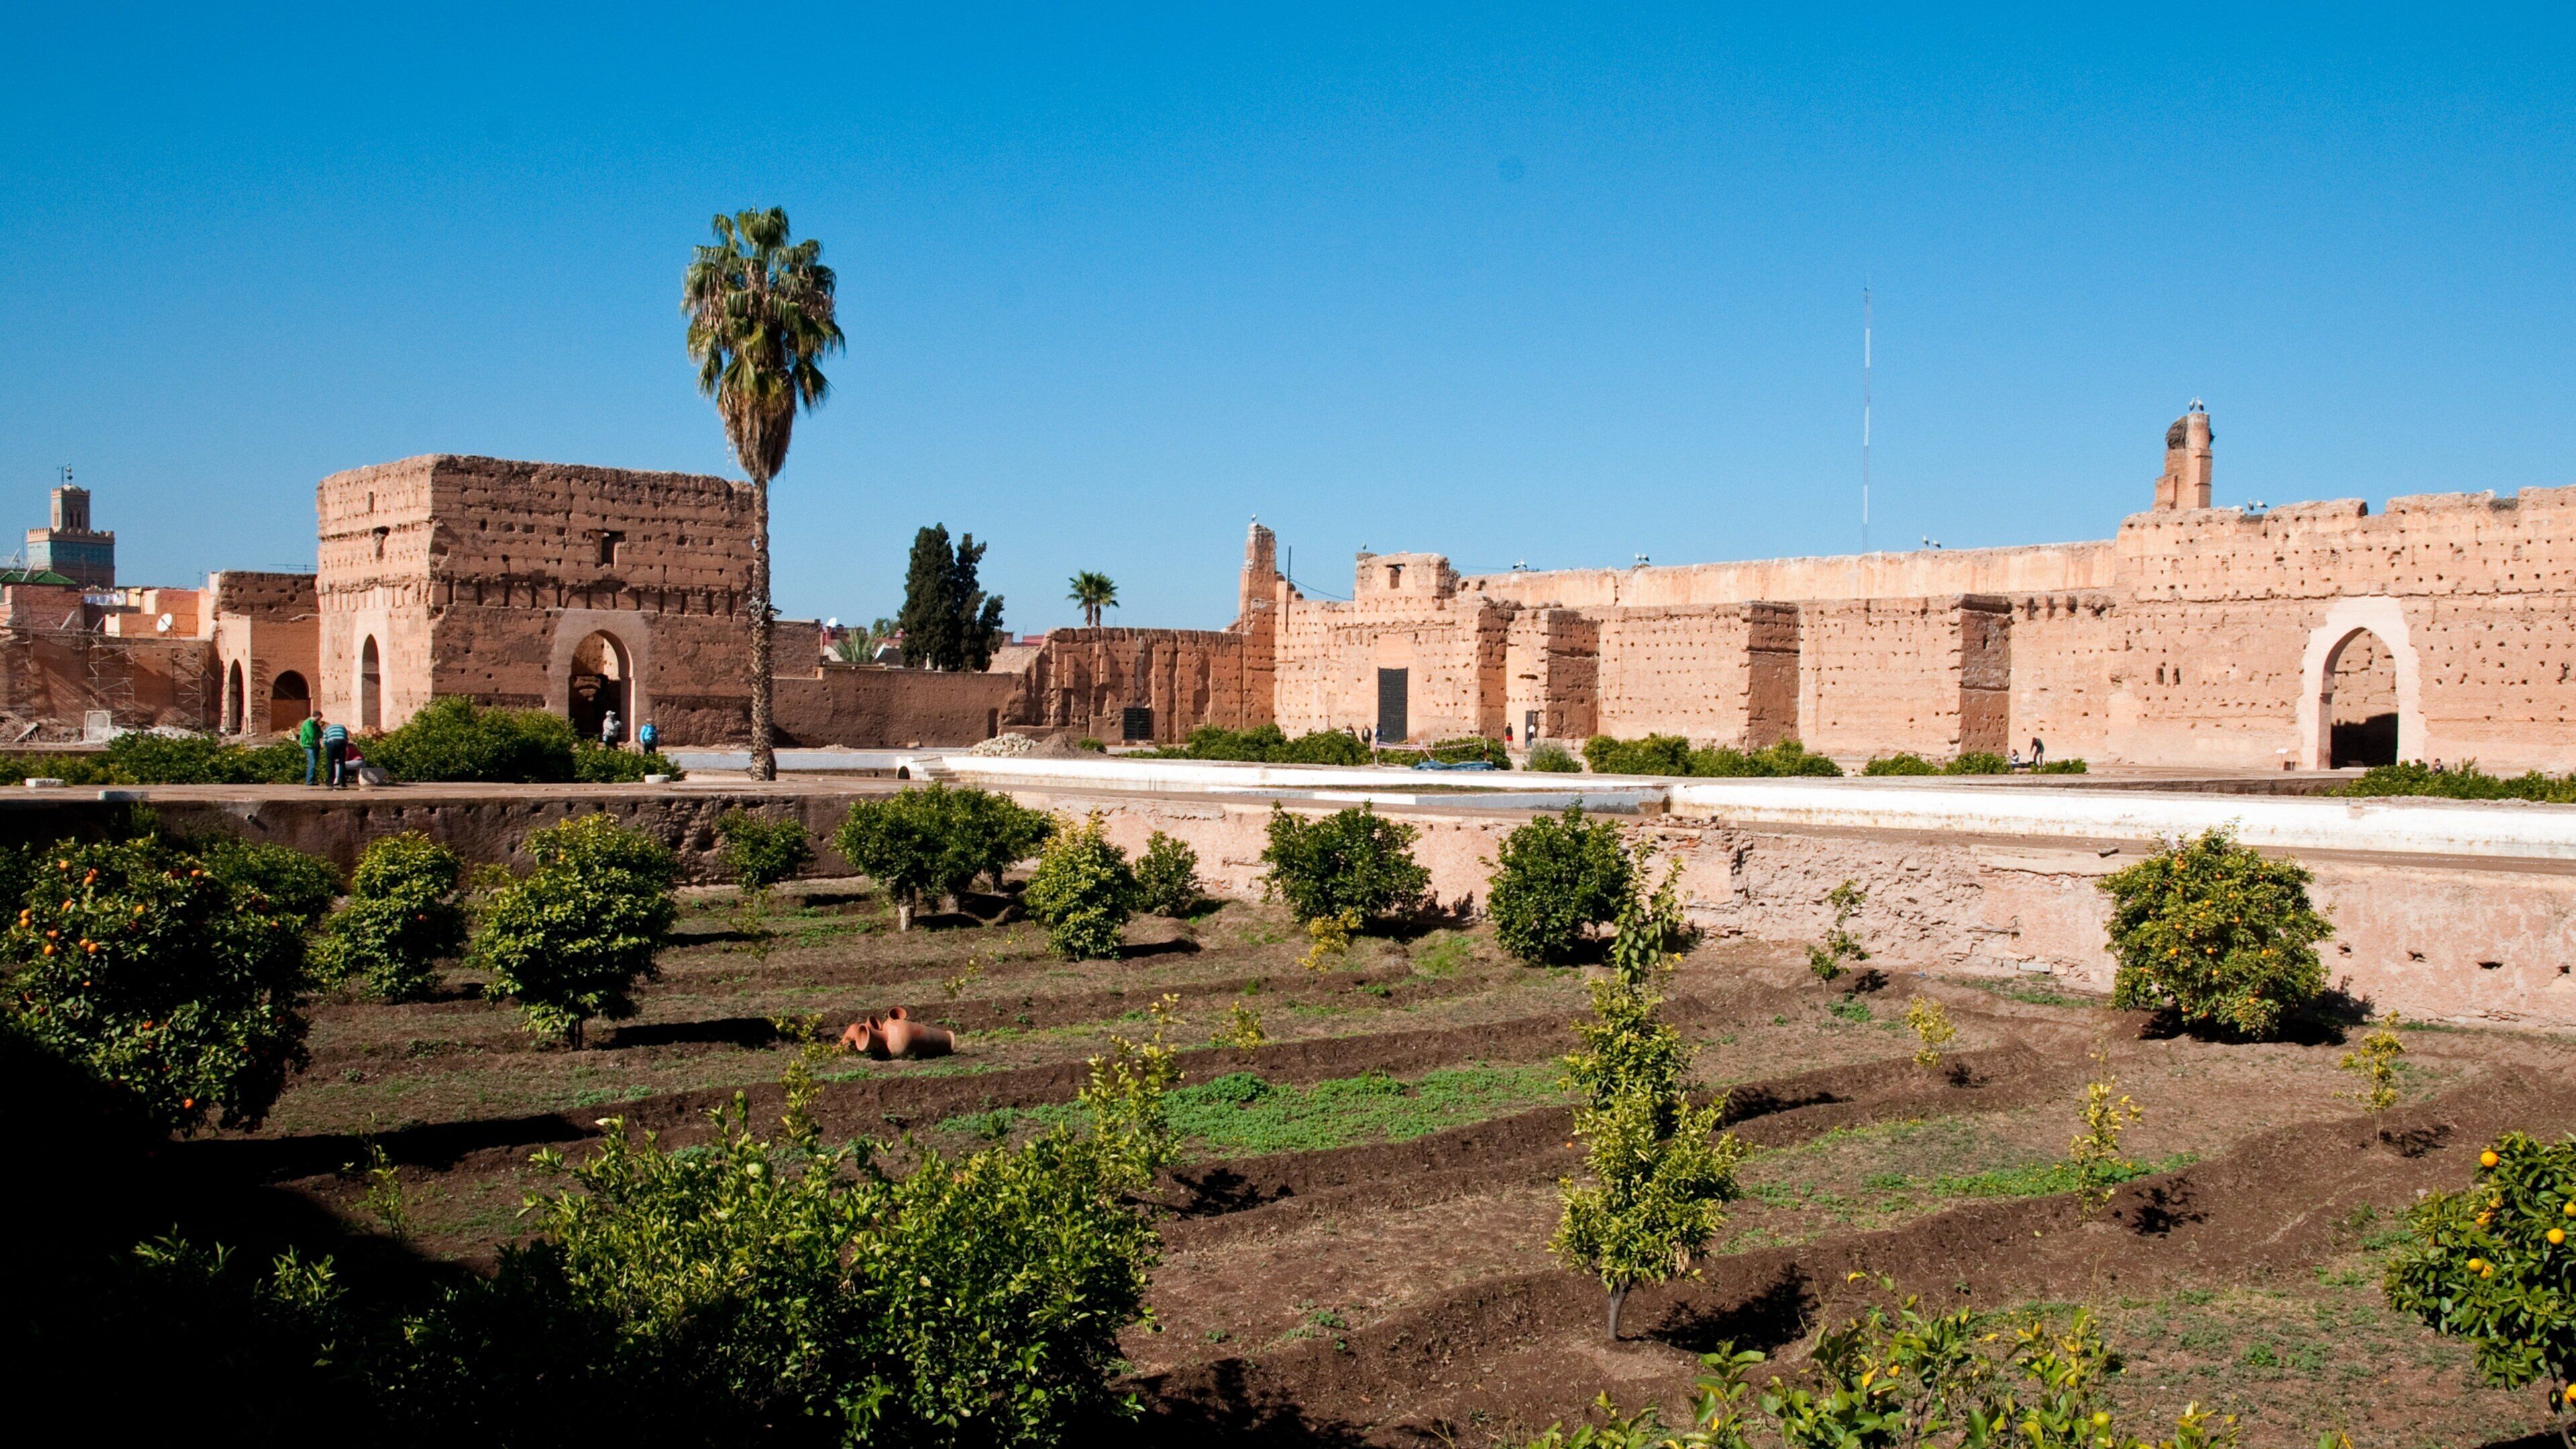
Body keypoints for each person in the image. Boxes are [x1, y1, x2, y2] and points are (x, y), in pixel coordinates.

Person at [321, 718, 350, 788]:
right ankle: (343, 782)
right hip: (342, 742)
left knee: (331, 763)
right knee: (342, 763)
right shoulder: (342, 727)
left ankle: (330, 782)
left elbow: (325, 741)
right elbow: (346, 738)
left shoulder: (326, 729)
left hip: (332, 742)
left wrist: (326, 748)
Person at [298, 712, 322, 786]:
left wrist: (318, 734)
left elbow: (321, 733)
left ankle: (313, 780)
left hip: (315, 745)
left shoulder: (315, 724)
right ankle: (309, 781)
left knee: (314, 762)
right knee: (313, 762)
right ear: (315, 717)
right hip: (308, 745)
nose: (319, 720)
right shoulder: (308, 723)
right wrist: (318, 734)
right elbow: (312, 734)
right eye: (319, 718)